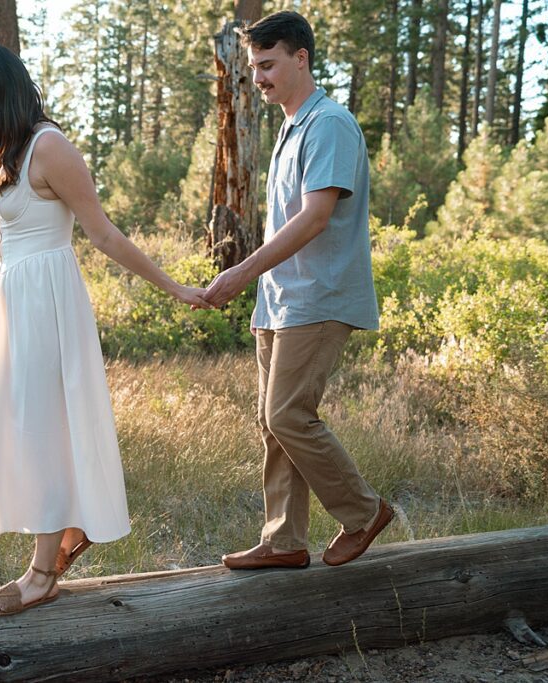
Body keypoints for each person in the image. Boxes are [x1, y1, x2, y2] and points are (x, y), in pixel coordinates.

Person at [0, 45, 209, 615]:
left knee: (39, 430)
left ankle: (42, 573)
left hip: (48, 297)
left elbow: (104, 235)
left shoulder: (50, 146)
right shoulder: (10, 152)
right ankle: (64, 530)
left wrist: (176, 288)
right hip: (12, 297)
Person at [203, 10, 393, 570]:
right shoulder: (291, 128)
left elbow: (313, 219)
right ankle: (285, 540)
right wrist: (261, 291)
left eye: (267, 64)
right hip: (281, 299)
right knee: (272, 421)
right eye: (253, 66)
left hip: (320, 295)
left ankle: (363, 513)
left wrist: (239, 273)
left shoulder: (328, 123)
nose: (257, 77)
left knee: (288, 414)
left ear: (301, 58)